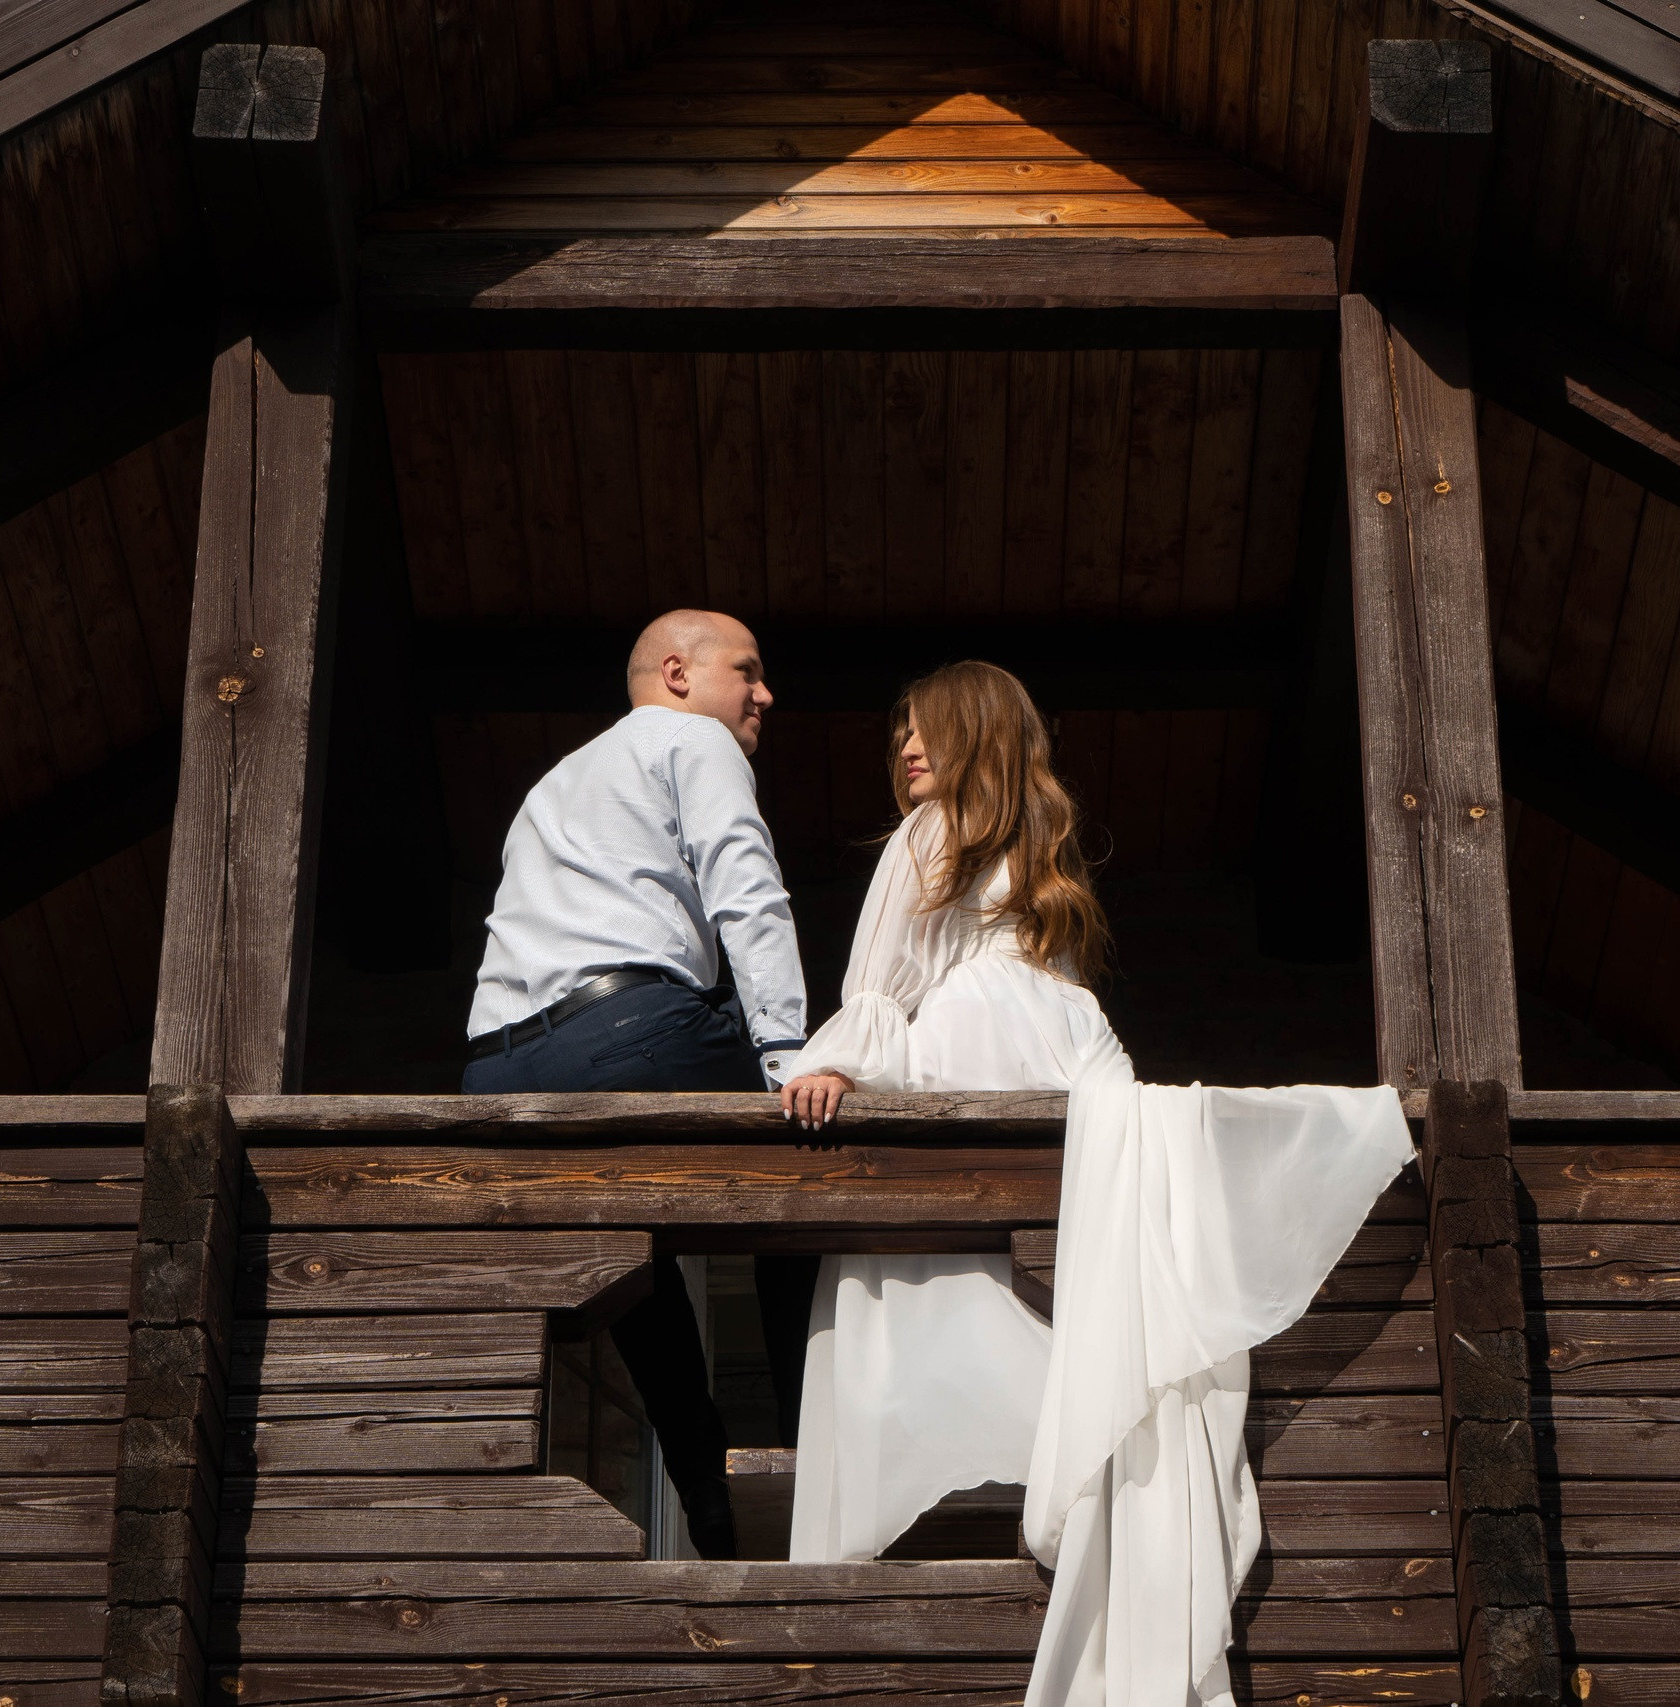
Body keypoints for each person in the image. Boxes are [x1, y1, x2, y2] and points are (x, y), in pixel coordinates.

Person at [778, 660, 1414, 1707]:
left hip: (1013, 1046)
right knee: (1119, 1264)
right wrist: (843, 1058)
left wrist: (847, 1048)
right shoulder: (991, 848)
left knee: (1026, 1267)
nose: (904, 750)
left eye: (924, 729)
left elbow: (880, 982)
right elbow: (887, 993)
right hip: (1056, 1053)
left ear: (977, 732)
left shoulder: (952, 838)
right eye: (896, 734)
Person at [462, 607, 818, 1559]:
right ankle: (816, 1456)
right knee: (813, 1162)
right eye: (747, 669)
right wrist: (788, 1061)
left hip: (496, 1066)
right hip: (627, 1029)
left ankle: (700, 1475)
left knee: (636, 1260)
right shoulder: (693, 741)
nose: (763, 692)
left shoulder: (553, 782)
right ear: (676, 672)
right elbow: (748, 892)